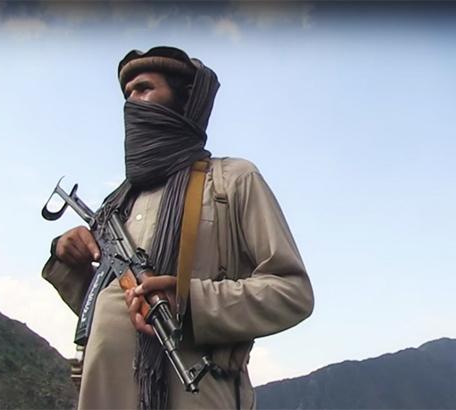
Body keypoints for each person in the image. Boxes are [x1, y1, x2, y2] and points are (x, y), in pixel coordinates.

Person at [42, 46, 314, 409]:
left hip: (196, 392)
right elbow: (106, 308)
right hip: (103, 391)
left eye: (143, 88)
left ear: (183, 102)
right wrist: (69, 255)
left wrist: (190, 302)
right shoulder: (118, 203)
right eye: (127, 94)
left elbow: (292, 292)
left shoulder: (232, 180)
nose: (131, 103)